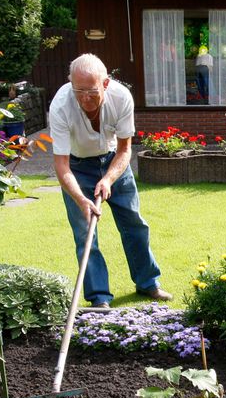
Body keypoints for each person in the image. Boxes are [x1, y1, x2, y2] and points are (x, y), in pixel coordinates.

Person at [48, 53, 172, 308]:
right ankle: (99, 298)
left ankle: (148, 282)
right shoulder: (60, 105)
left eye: (91, 91)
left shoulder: (121, 97)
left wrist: (108, 180)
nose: (84, 98)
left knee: (135, 223)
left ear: (105, 83)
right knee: (85, 234)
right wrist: (82, 199)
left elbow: (125, 150)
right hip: (77, 167)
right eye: (78, 91)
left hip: (114, 162)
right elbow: (61, 165)